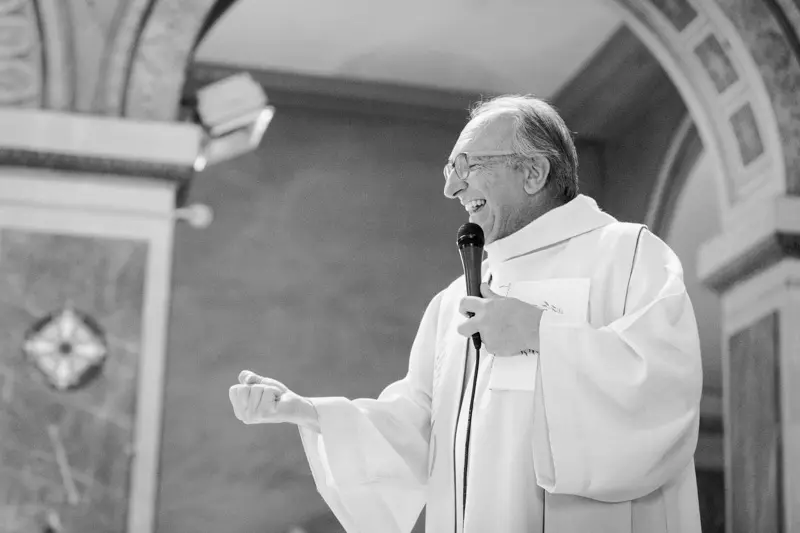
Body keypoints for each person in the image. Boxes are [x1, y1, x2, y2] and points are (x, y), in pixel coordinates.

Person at [229, 95, 703, 533]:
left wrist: (540, 331)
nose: (452, 187)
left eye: (467, 166)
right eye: (449, 169)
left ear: (533, 173)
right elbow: (416, 429)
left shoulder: (624, 254)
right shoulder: (452, 300)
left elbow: (663, 391)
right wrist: (309, 413)